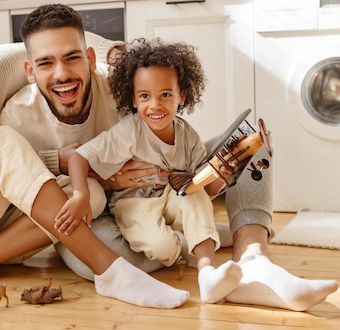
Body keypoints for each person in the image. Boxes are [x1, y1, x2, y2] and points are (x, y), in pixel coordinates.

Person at [0, 3, 339, 311]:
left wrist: (213, 173)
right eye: (46, 63)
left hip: (165, 187)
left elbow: (178, 155)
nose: (61, 74)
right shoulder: (17, 118)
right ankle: (203, 238)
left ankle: (254, 262)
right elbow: (20, 188)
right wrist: (98, 178)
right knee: (100, 261)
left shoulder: (121, 86)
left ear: (90, 57)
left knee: (250, 145)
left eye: (72, 57)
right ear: (30, 71)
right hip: (103, 210)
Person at [0, 9, 190, 309]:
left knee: (85, 197)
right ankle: (110, 271)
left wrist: (118, 57)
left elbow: (61, 43)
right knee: (2, 142)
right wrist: (54, 160)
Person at [59, 38, 244, 303]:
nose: (154, 105)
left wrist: (222, 176)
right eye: (145, 96)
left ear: (182, 96)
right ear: (133, 99)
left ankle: (207, 272)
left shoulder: (188, 135)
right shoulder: (128, 132)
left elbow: (207, 189)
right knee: (163, 247)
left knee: (193, 192)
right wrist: (80, 195)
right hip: (133, 204)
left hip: (171, 199)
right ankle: (193, 239)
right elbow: (79, 157)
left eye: (165, 95)